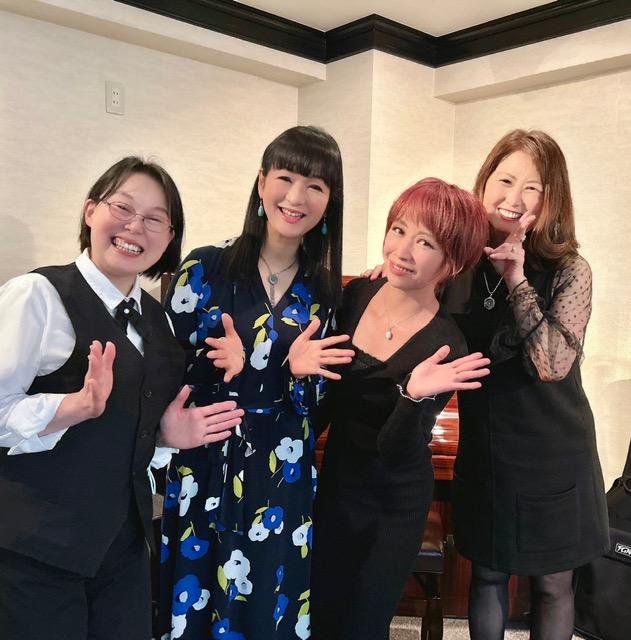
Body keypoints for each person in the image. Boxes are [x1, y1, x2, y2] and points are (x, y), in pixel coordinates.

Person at [0, 156, 245, 640]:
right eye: (123, 208)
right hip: (34, 550)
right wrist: (69, 408)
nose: (135, 227)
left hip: (122, 549)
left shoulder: (158, 321)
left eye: (155, 219)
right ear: (91, 210)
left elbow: (131, 433)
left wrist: (164, 436)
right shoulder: (36, 295)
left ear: (169, 238)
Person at [157, 125, 353, 640]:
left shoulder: (324, 291)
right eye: (285, 178)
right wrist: (215, 363)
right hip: (208, 460)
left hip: (281, 473)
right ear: (262, 183)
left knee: (270, 598)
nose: (296, 197)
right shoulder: (205, 266)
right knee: (197, 595)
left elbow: (319, 398)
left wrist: (293, 374)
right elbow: (162, 369)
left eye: (315, 185)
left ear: (330, 201)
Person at [439, 130, 609, 640]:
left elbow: (552, 363)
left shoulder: (570, 269)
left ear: (551, 199)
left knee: (553, 584)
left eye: (531, 187)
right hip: (488, 448)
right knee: (487, 574)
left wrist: (516, 278)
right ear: (484, 182)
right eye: (505, 180)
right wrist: (396, 274)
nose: (513, 197)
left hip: (553, 452)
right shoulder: (458, 263)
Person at [304, 177, 491, 640]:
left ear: (452, 262)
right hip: (337, 486)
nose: (402, 250)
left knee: (362, 625)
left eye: (425, 242)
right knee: (317, 614)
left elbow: (396, 452)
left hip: (393, 504)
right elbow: (326, 401)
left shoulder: (446, 343)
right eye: (398, 230)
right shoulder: (355, 296)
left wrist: (413, 395)